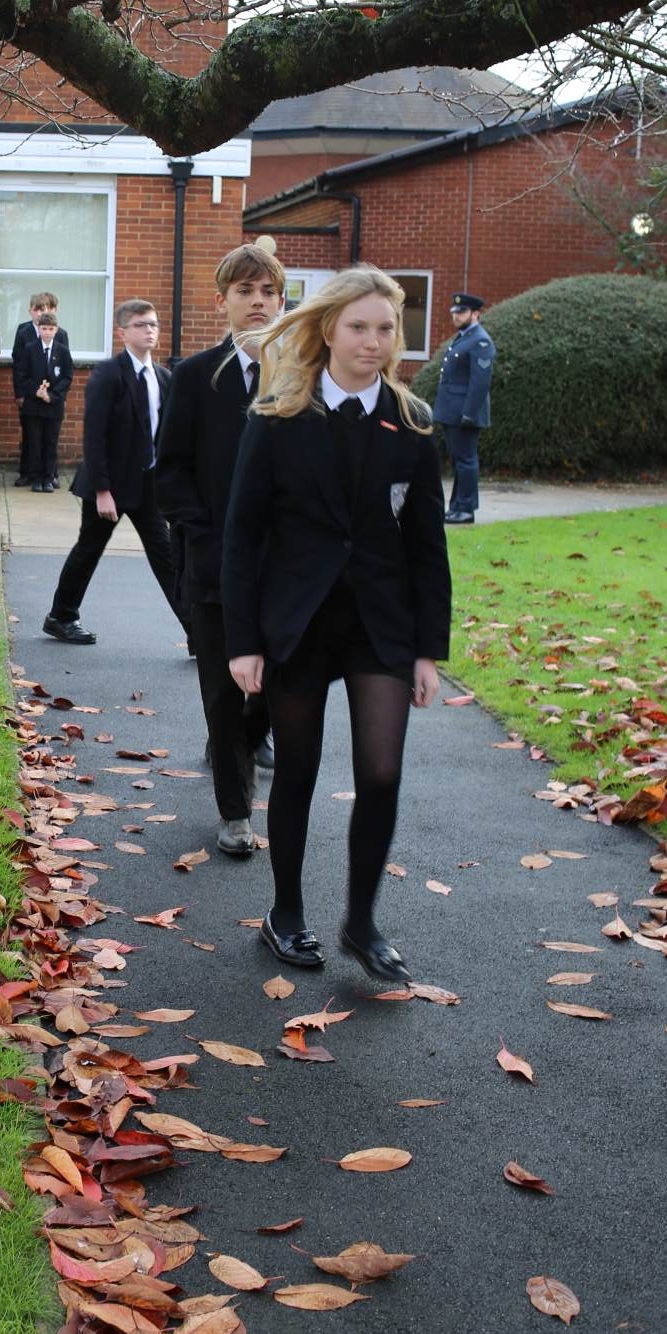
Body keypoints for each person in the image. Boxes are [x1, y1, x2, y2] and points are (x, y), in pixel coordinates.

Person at [222, 266, 451, 985]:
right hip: (298, 623)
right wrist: (242, 642)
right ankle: (285, 913)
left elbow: (427, 546)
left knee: (381, 771)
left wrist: (428, 650)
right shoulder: (277, 417)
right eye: (359, 327)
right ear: (328, 330)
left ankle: (361, 922)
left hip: (381, 625)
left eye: (385, 328)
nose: (373, 341)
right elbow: (242, 536)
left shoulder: (412, 423)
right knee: (297, 768)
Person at [156, 240, 286, 856]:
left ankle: (247, 739)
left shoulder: (306, 375)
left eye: (268, 292)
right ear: (222, 301)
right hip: (212, 562)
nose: (258, 302)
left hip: (286, 569)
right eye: (245, 291)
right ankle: (236, 813)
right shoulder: (194, 376)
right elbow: (170, 471)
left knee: (275, 686)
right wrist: (204, 530)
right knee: (222, 690)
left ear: (282, 302)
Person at [43, 299, 186, 646]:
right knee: (89, 549)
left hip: (147, 485)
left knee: (167, 557)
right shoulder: (108, 374)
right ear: (123, 332)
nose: (149, 330)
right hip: (109, 485)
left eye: (153, 324)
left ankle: (198, 633)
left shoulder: (163, 377)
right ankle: (61, 617)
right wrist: (103, 491)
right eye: (141, 325)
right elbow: (95, 436)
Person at [433, 291, 496, 524]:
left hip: (464, 412)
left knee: (466, 461)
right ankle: (457, 506)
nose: (456, 316)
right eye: (454, 312)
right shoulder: (464, 337)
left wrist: (469, 412)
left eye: (461, 312)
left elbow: (480, 382)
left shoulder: (480, 340)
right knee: (459, 461)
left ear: (475, 314)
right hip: (453, 411)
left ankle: (466, 509)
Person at [12, 293, 71, 486]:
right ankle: (30, 474)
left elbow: (65, 372)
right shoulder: (25, 335)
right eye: (38, 309)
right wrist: (25, 393)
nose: (46, 331)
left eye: (46, 309)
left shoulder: (61, 338)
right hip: (32, 398)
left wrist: (54, 396)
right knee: (32, 439)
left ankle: (50, 476)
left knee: (50, 441)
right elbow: (19, 368)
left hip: (52, 400)